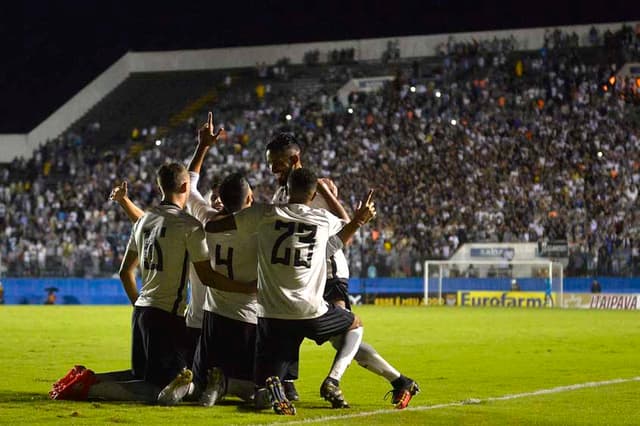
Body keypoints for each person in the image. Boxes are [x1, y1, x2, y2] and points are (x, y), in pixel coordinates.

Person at [49, 163, 254, 404]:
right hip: (167, 316)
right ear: (185, 186)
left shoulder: (145, 220)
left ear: (160, 187)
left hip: (142, 311)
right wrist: (248, 289)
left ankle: (86, 378)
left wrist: (139, 305)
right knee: (157, 387)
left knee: (142, 375)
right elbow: (207, 277)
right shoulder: (190, 226)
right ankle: (87, 389)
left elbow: (125, 272)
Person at [265, 133, 420, 409]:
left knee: (344, 330)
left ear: (295, 159)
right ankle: (393, 381)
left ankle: (335, 381)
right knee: (339, 333)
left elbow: (343, 223)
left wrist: (327, 194)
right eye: (270, 164)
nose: (272, 169)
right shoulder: (282, 191)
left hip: (330, 272)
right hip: (302, 273)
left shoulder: (318, 187)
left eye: (277, 163)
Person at [206, 168, 376, 415]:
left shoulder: (263, 213)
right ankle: (333, 379)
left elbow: (214, 228)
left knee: (261, 392)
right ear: (313, 193)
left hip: (269, 315)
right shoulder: (321, 219)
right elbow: (341, 237)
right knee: (355, 324)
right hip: (309, 311)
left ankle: (265, 387)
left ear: (286, 190)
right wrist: (359, 220)